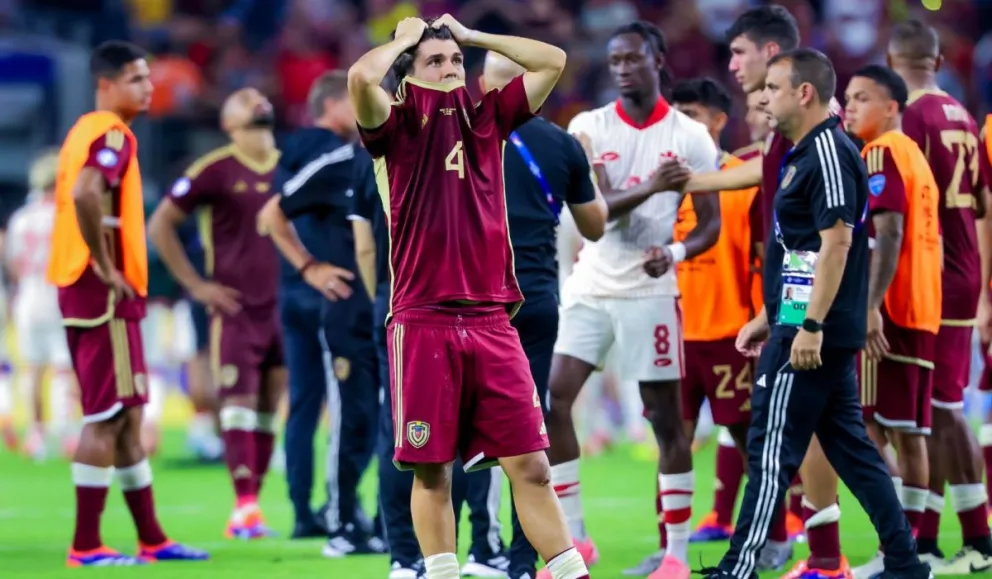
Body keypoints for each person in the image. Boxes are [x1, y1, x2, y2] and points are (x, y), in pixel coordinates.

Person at [348, 14, 590, 579]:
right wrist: (406, 42)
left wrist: (473, 37)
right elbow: (361, 79)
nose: (452, 69)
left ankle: (572, 573)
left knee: (531, 464)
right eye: (438, 62)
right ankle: (441, 571)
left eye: (457, 61)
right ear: (408, 74)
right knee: (434, 471)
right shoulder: (394, 122)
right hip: (422, 317)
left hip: (492, 318)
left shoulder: (488, 116)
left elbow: (552, 59)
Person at [696, 47, 929, 579]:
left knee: (770, 445)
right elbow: (800, 249)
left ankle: (739, 566)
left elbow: (837, 244)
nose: (762, 98)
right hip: (805, 321)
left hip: (814, 331)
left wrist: (808, 324)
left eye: (772, 89)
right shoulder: (806, 150)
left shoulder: (826, 151)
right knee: (853, 451)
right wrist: (770, 310)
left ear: (804, 93)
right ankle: (905, 563)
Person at [546, 20, 720, 579]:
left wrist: (675, 251)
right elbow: (592, 214)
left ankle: (674, 553)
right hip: (593, 283)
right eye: (615, 60)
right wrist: (652, 187)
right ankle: (575, 540)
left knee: (666, 421)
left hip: (651, 289)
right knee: (553, 400)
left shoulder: (691, 138)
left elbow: (708, 227)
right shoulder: (588, 126)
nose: (621, 68)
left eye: (632, 59)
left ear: (658, 60)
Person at [687, 8, 847, 576]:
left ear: (772, 51)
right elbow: (755, 177)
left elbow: (828, 239)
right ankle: (842, 560)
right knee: (827, 436)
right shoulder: (786, 133)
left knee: (793, 438)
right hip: (797, 304)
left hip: (814, 308)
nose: (731, 66)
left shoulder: (811, 129)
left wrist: (802, 319)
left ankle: (787, 558)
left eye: (739, 53)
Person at [47, 40, 208, 567]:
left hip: (95, 288)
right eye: (137, 79)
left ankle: (153, 538)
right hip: (102, 292)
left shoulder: (86, 132)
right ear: (106, 84)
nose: (147, 87)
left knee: (127, 418)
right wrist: (107, 264)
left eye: (147, 78)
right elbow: (87, 193)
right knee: (106, 416)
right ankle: (86, 544)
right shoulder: (111, 134)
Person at [479, 51, 608, 579]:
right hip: (535, 299)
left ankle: (474, 550)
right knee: (523, 434)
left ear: (485, 84)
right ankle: (519, 559)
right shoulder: (563, 144)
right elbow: (595, 227)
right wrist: (593, 171)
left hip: (472, 300)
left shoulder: (461, 134)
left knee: (458, 428)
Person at [256, 70, 386, 556]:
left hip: (393, 307)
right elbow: (271, 214)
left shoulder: (404, 160)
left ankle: (380, 518)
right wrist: (309, 267)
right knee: (348, 415)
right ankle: (340, 520)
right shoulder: (339, 160)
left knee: (385, 420)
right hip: (344, 307)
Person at [879, 19, 992, 576]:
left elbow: (903, 213)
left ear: (891, 64)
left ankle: (978, 539)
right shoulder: (963, 116)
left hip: (933, 275)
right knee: (928, 413)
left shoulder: (910, 123)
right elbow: (984, 208)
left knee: (941, 411)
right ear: (939, 62)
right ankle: (922, 540)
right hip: (966, 270)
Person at [148, 88, 284, 540]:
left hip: (284, 305)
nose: (254, 99)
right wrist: (196, 285)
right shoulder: (213, 170)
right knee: (238, 404)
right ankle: (244, 504)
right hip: (236, 306)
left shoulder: (291, 165)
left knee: (268, 408)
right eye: (246, 105)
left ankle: (253, 504)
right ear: (229, 125)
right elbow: (161, 223)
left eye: (260, 106)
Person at [661, 79, 762, 549]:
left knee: (749, 442)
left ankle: (770, 536)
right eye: (677, 115)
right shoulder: (661, 182)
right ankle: (669, 550)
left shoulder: (747, 178)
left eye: (694, 115)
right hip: (672, 334)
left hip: (731, 333)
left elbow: (763, 258)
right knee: (670, 441)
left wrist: (763, 322)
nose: (683, 126)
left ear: (720, 121)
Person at [844, 62, 942, 541]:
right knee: (909, 432)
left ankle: (899, 544)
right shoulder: (915, 157)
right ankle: (916, 544)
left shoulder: (880, 153)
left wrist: (869, 307)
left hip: (892, 312)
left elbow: (890, 230)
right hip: (922, 305)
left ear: (892, 108)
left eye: (862, 98)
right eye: (848, 97)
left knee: (865, 428)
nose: (849, 106)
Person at [6, 150, 78, 461]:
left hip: (29, 297)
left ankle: (37, 433)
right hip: (61, 297)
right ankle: (67, 431)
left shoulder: (21, 218)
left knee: (33, 369)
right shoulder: (67, 216)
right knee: (65, 369)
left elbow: (13, 263)